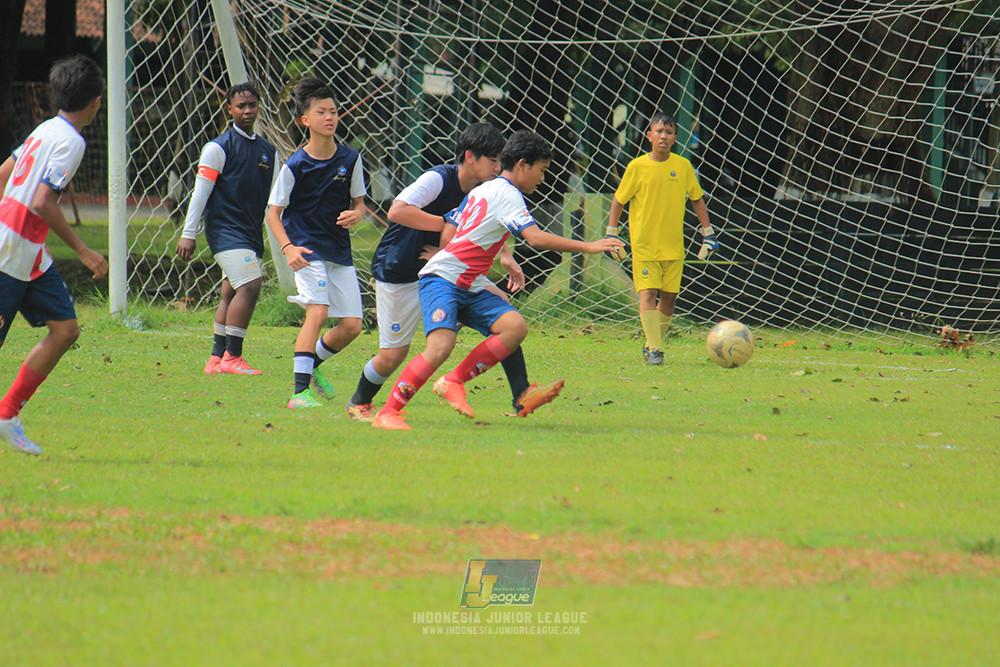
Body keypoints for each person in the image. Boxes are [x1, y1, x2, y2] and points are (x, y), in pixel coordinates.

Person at [371, 130, 624, 430]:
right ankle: (388, 412)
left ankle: (469, 383)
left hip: (466, 280)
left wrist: (478, 264)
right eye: (541, 171)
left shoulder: (484, 189)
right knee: (441, 346)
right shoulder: (508, 194)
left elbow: (452, 228)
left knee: (513, 326)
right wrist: (590, 246)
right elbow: (534, 238)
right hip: (444, 279)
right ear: (522, 165)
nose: (543, 179)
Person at [346, 123, 564, 423]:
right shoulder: (437, 179)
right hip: (402, 270)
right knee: (394, 355)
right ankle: (360, 401)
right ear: (471, 157)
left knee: (508, 323)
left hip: (449, 271)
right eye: (493, 161)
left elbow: (481, 225)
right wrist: (454, 239)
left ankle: (521, 394)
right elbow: (396, 212)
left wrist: (503, 255)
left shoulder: (485, 189)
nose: (498, 167)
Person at [0, 55, 109, 455]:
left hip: (30, 254)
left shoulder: (46, 128)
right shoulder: (72, 141)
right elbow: (45, 201)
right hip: (9, 252)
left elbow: (5, 171)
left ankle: (7, 414)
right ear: (96, 102)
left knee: (65, 329)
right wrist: (83, 250)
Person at [266, 77, 367, 409]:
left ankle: (311, 368)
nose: (330, 117)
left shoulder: (351, 159)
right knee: (318, 312)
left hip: (339, 250)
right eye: (321, 112)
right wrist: (288, 248)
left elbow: (360, 204)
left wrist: (357, 214)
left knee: (352, 326)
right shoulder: (294, 165)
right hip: (307, 250)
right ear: (304, 120)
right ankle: (298, 394)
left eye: (334, 111)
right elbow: (273, 214)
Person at [176, 81, 279, 376]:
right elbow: (200, 193)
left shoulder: (268, 151)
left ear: (259, 107)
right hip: (224, 232)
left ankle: (215, 359)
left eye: (252, 105)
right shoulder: (217, 148)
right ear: (229, 109)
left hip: (250, 233)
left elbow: (273, 199)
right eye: (240, 106)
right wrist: (189, 233)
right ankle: (233, 356)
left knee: (231, 293)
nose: (247, 111)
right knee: (250, 285)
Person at [606, 112, 717, 366]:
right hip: (645, 246)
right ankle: (656, 350)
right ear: (649, 136)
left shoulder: (683, 166)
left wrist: (707, 233)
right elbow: (618, 201)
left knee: (669, 299)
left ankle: (650, 343)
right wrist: (611, 234)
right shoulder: (637, 167)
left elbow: (697, 198)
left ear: (675, 138)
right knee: (648, 294)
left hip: (673, 248)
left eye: (668, 133)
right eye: (658, 132)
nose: (663, 137)